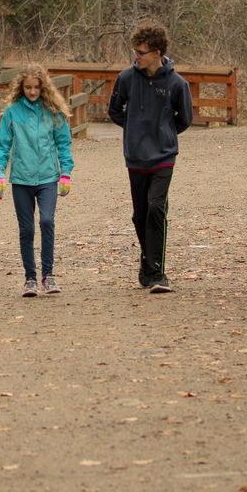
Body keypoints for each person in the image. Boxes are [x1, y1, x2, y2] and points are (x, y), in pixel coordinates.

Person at [108, 23, 193, 294]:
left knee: (156, 207)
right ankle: (147, 260)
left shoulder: (177, 84)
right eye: (135, 51)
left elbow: (185, 118)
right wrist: (134, 129)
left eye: (141, 52)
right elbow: (114, 110)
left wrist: (163, 133)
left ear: (157, 52)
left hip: (164, 156)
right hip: (135, 156)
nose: (136, 56)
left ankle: (157, 272)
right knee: (140, 214)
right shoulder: (126, 79)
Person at [0, 64, 74, 297]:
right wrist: (0, 174)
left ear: (43, 87)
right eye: (27, 87)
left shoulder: (53, 111)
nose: (32, 92)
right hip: (21, 179)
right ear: (21, 87)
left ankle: (48, 275)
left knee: (47, 221)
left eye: (36, 87)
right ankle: (30, 278)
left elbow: (63, 144)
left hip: (48, 177)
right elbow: (3, 145)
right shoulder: (12, 112)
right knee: (26, 229)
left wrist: (66, 172)